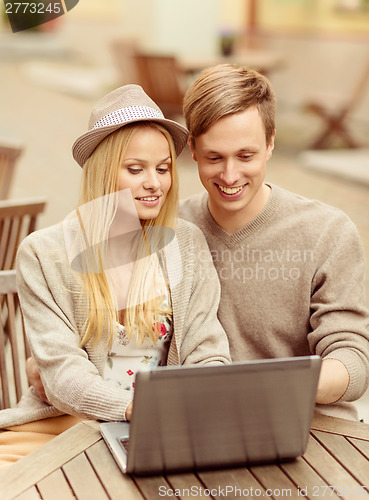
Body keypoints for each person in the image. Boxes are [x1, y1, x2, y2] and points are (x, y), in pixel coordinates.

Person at [0, 84, 230, 467]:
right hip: (63, 423)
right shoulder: (44, 253)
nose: (154, 183)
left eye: (163, 168)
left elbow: (208, 351)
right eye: (135, 169)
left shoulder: (186, 244)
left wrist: (191, 405)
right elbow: (61, 373)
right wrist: (134, 407)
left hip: (158, 427)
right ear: (104, 172)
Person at [179, 64, 369, 420]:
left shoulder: (327, 232)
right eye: (214, 157)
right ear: (192, 149)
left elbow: (352, 360)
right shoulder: (171, 227)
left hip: (307, 425)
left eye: (246, 156)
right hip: (204, 422)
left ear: (270, 143)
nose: (230, 175)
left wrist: (270, 387)